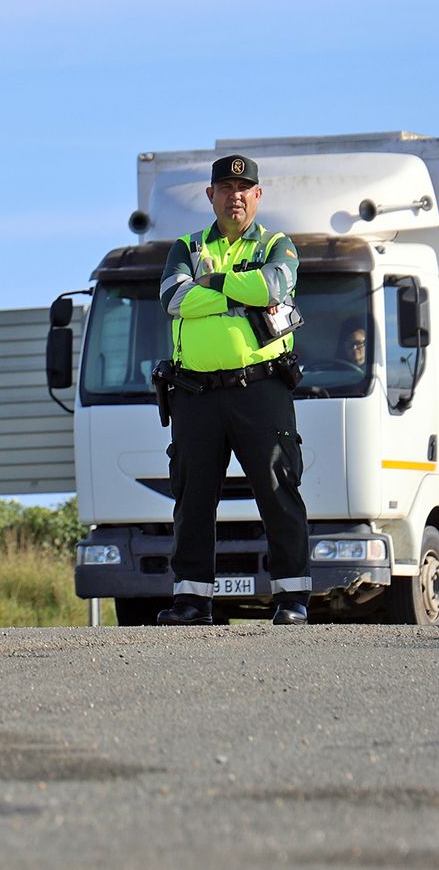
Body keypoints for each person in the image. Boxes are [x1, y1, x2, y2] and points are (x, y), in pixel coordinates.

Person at [155, 154, 311, 626]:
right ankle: (191, 599)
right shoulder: (186, 245)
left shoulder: (276, 244)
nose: (235, 196)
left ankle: (291, 599)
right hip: (194, 393)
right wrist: (238, 291)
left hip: (259, 390)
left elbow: (274, 285)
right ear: (211, 196)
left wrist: (214, 282)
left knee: (277, 488)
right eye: (224, 188)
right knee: (192, 496)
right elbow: (173, 299)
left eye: (244, 189)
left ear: (258, 196)